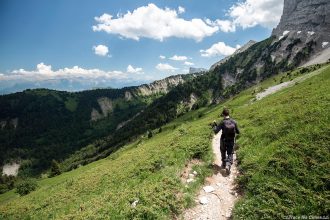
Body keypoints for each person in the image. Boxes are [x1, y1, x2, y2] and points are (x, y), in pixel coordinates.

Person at [212, 108, 240, 173]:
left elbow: (216, 131)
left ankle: (224, 164)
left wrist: (214, 125)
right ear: (228, 114)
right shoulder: (234, 122)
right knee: (230, 153)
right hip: (231, 140)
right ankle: (228, 165)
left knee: (223, 151)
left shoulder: (222, 122)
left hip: (223, 140)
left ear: (223, 115)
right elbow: (238, 132)